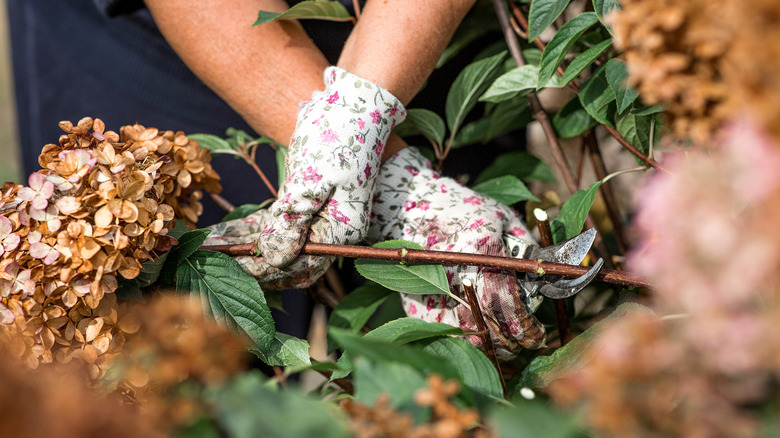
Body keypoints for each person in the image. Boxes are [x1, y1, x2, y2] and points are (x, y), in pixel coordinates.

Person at [8, 0, 546, 356]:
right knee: (180, 366)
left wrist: (362, 116)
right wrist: (397, 182)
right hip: (166, 54)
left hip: (415, 45)